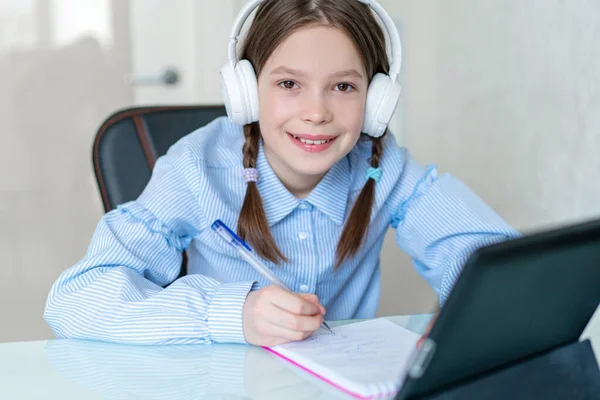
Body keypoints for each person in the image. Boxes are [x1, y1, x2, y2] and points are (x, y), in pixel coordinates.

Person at [44, 0, 519, 347]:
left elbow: (496, 262)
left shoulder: (380, 167)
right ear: (247, 92)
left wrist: (470, 313)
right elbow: (76, 299)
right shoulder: (196, 169)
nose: (316, 112)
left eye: (343, 86)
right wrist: (235, 314)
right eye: (289, 84)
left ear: (376, 102)